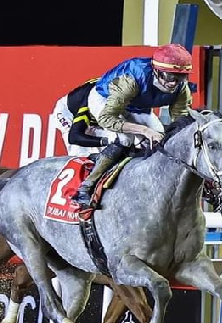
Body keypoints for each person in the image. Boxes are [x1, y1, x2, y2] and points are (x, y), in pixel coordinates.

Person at [71, 43, 194, 208]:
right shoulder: (131, 79)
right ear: (156, 71)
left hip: (137, 106)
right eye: (170, 76)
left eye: (180, 77)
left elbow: (180, 122)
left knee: (161, 140)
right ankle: (85, 187)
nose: (174, 83)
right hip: (106, 101)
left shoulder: (181, 88)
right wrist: (144, 130)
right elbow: (107, 118)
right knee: (125, 139)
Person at [53, 78, 110, 158]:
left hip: (90, 109)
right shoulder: (93, 99)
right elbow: (74, 137)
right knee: (79, 150)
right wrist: (105, 141)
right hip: (68, 113)